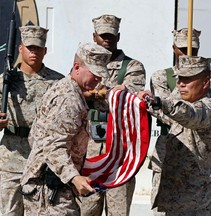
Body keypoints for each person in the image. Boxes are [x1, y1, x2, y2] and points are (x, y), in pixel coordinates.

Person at [20, 42, 112, 215]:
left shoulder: (74, 90)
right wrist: (74, 177)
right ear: (77, 67)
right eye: (94, 74)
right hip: (48, 186)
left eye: (101, 75)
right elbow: (53, 146)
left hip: (53, 183)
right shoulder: (68, 99)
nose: (98, 80)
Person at [80, 14, 146, 216]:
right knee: (86, 208)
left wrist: (95, 92)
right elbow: (76, 92)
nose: (107, 39)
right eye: (103, 35)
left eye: (111, 35)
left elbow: (128, 98)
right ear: (94, 37)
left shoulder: (132, 66)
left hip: (120, 149)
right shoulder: (84, 65)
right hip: (89, 148)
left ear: (118, 36)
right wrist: (112, 91)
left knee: (118, 210)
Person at [139, 55, 211, 215]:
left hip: (192, 205)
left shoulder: (208, 111)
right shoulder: (178, 108)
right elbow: (168, 113)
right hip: (168, 200)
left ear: (205, 83)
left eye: (188, 79)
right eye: (180, 78)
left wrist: (161, 102)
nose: (181, 83)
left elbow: (188, 113)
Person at [0, 24, 64, 216]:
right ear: (21, 48)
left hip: (42, 160)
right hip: (11, 158)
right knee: (9, 212)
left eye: (38, 48)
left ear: (45, 50)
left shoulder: (57, 82)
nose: (34, 52)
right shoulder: (6, 81)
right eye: (30, 47)